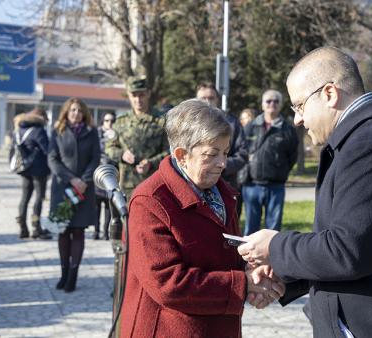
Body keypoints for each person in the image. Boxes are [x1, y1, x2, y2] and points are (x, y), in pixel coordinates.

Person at [237, 47, 372, 337]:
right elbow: (347, 244)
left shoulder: (371, 145)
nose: (297, 119)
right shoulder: (355, 142)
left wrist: (275, 247)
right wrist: (284, 277)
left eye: (299, 106)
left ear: (330, 94)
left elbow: (349, 252)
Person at [120, 100, 284, 337]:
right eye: (212, 154)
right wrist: (243, 284)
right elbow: (167, 284)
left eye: (225, 152)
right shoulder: (150, 201)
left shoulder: (222, 193)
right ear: (181, 155)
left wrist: (254, 270)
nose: (223, 163)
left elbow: (224, 255)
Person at [48, 98, 101, 293]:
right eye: (72, 110)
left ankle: (73, 276)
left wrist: (84, 181)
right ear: (66, 112)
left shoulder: (91, 131)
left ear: (84, 113)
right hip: (62, 188)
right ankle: (63, 273)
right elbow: (52, 159)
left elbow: (96, 158)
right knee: (63, 231)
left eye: (79, 110)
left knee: (78, 231)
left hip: (84, 190)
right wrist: (71, 179)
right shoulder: (58, 130)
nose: (76, 113)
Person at [240, 89, 298, 235]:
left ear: (280, 105)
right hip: (251, 185)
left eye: (276, 101)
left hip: (276, 186)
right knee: (250, 229)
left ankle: (270, 257)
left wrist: (280, 170)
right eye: (268, 101)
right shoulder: (250, 127)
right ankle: (248, 258)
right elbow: (242, 151)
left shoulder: (288, 130)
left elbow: (292, 156)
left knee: (273, 230)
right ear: (262, 104)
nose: (272, 104)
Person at [105, 76, 169, 200]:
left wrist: (151, 163)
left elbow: (170, 152)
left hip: (155, 183)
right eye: (134, 95)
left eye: (141, 95)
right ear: (129, 96)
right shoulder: (120, 122)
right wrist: (122, 155)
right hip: (128, 186)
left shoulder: (161, 121)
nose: (138, 99)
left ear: (148, 94)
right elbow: (110, 148)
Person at [195, 82, 248, 192]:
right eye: (203, 98)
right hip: (195, 185)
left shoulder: (232, 123)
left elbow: (243, 153)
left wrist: (220, 165)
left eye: (211, 98)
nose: (207, 101)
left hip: (226, 184)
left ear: (217, 100)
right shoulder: (190, 125)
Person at [12, 108, 52, 239]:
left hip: (24, 169)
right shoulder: (39, 131)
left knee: (24, 198)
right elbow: (47, 150)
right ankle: (36, 228)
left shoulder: (19, 129)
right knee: (38, 198)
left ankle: (23, 229)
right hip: (39, 170)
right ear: (41, 118)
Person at [93, 112, 117, 240]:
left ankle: (105, 232)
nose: (110, 123)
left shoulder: (117, 135)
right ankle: (96, 231)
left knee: (108, 205)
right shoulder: (96, 134)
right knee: (96, 205)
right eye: (107, 120)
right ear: (103, 121)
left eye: (112, 120)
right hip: (98, 173)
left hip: (111, 174)